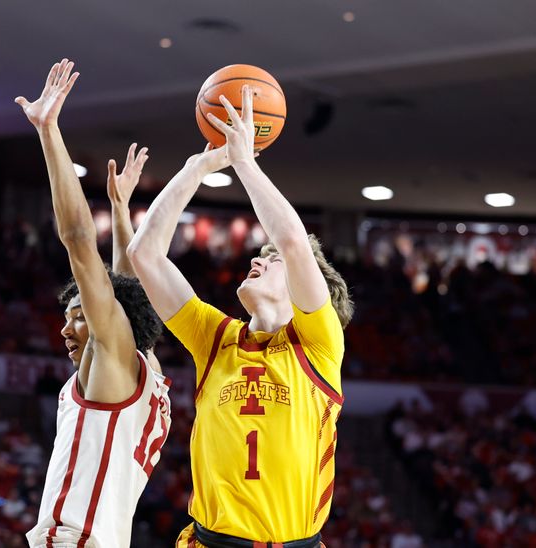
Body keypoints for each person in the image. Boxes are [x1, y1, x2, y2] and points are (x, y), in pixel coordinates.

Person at [128, 85, 353, 546]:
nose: (258, 259)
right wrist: (196, 170)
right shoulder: (214, 337)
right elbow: (144, 253)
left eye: (270, 262)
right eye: (260, 255)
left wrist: (245, 162)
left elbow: (292, 241)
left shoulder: (318, 345)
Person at [15, 58, 170, 548]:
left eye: (78, 316)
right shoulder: (145, 370)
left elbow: (80, 239)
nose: (66, 330)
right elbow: (130, 288)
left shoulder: (113, 362)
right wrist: (121, 212)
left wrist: (48, 130)